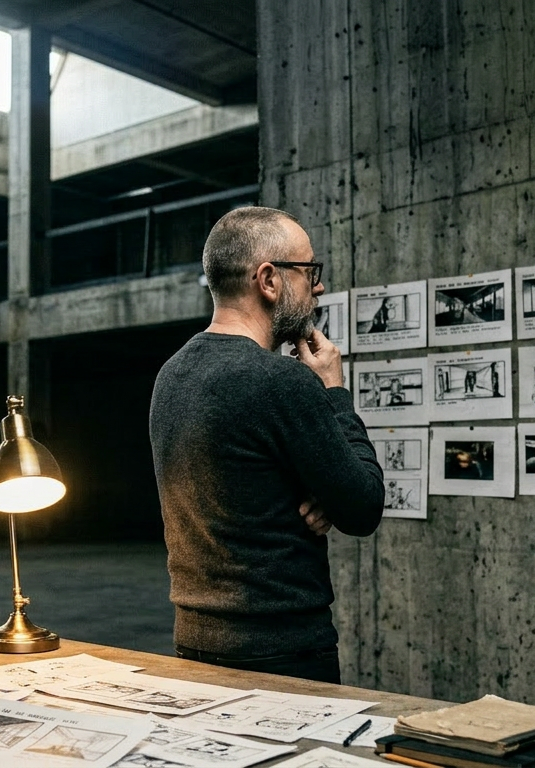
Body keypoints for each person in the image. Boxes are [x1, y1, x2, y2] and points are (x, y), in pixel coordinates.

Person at [148, 206, 385, 685]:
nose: (317, 286)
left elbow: (245, 487)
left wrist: (321, 493)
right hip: (281, 651)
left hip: (194, 642)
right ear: (269, 280)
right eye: (309, 271)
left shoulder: (171, 374)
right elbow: (363, 507)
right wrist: (335, 392)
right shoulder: (282, 381)